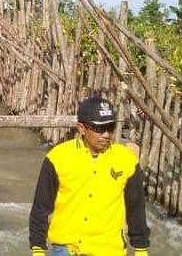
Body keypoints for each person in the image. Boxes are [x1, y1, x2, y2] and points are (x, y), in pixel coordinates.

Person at [29, 97, 150, 256]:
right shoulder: (58, 158)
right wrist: (38, 247)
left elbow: (136, 208)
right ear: (81, 128)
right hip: (66, 249)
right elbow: (41, 207)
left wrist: (141, 248)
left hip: (109, 250)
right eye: (99, 128)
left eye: (110, 127)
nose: (106, 134)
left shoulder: (126, 160)